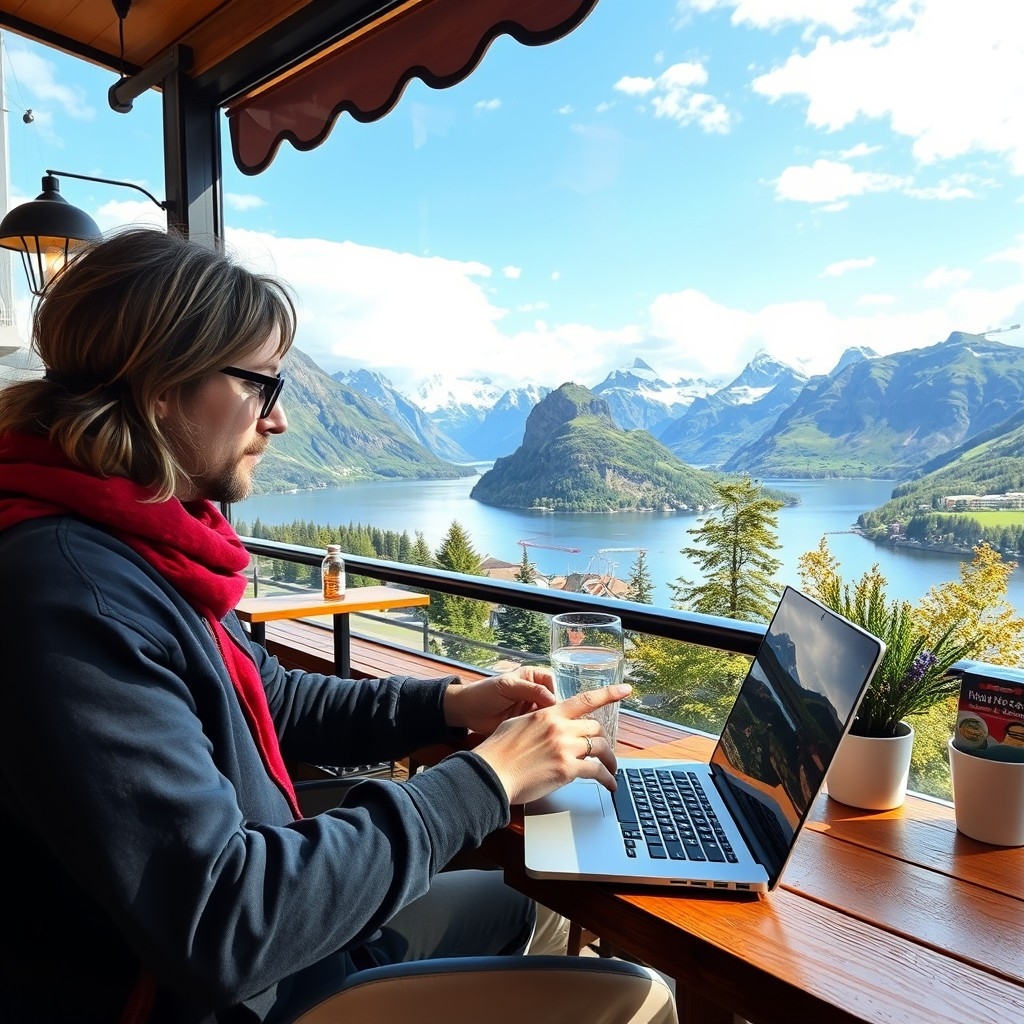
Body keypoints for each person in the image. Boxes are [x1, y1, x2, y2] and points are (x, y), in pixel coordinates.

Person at [0, 228, 671, 1024]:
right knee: (640, 994)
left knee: (537, 900)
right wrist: (488, 780)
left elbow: (266, 698)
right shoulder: (72, 594)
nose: (276, 422)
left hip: (288, 949)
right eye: (262, 387)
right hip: (229, 998)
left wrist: (454, 705)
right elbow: (222, 921)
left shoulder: (137, 543)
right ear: (162, 388)